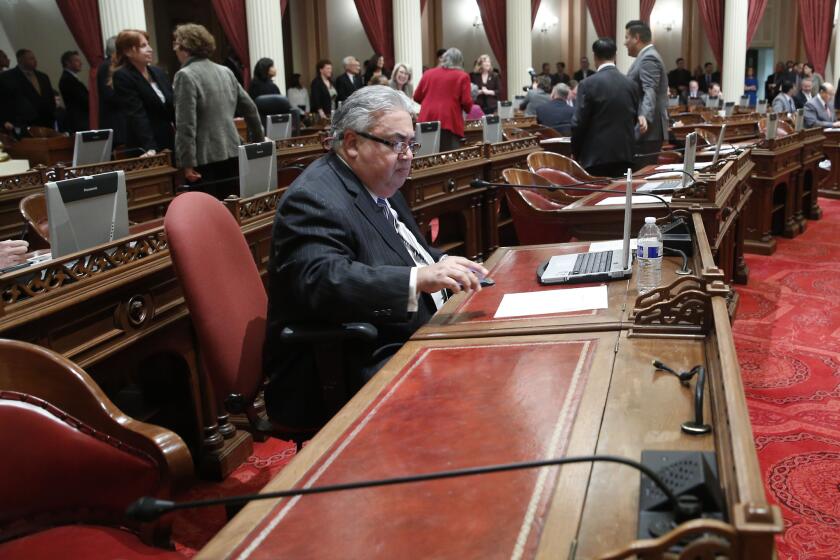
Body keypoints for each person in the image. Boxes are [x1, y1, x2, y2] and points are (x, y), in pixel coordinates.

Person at [263, 86, 488, 426]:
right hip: (357, 358)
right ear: (352, 143)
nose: (409, 155)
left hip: (411, 330)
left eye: (411, 144)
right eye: (397, 144)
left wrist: (441, 262)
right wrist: (418, 279)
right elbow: (323, 281)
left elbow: (410, 250)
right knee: (483, 395)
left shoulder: (380, 182)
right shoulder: (313, 198)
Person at [172, 23, 263, 200]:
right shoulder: (225, 71)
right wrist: (259, 142)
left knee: (210, 216)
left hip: (204, 158)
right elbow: (250, 109)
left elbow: (186, 124)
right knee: (234, 208)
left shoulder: (186, 75)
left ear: (185, 48)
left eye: (176, 44)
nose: (175, 50)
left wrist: (187, 163)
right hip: (233, 149)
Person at [572, 38, 638, 178]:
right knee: (620, 198)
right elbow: (634, 119)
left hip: (595, 158)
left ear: (594, 57)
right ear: (615, 56)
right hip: (625, 154)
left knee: (596, 198)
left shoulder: (587, 84)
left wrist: (576, 152)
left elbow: (578, 123)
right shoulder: (630, 84)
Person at [112, 30, 174, 156]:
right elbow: (136, 113)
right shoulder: (123, 76)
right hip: (144, 144)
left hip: (168, 139)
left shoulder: (158, 72)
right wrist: (150, 147)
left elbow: (172, 106)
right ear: (128, 51)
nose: (150, 49)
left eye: (148, 44)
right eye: (143, 46)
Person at [624, 20, 669, 168]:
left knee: (641, 177)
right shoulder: (646, 56)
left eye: (627, 38)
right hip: (649, 131)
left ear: (636, 38)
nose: (625, 43)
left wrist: (644, 116)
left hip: (648, 130)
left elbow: (650, 89)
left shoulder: (649, 57)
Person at [414, 48, 472, 151]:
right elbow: (466, 103)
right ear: (460, 61)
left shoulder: (428, 73)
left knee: (425, 156)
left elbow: (417, 97)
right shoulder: (462, 76)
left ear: (443, 59)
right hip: (449, 121)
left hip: (426, 119)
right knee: (448, 160)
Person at [0, 49, 56, 133]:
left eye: (34, 58)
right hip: (25, 123)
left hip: (47, 121)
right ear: (21, 60)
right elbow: (6, 101)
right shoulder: (7, 78)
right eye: (31, 58)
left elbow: (50, 97)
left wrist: (53, 113)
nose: (35, 61)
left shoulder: (43, 76)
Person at [97, 36, 127, 146]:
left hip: (119, 122)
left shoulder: (113, 65)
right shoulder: (107, 66)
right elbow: (109, 95)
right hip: (115, 122)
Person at [58, 50, 89, 133]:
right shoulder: (67, 80)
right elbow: (83, 99)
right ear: (67, 63)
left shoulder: (71, 78)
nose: (80, 63)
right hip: (79, 120)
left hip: (80, 119)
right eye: (76, 61)